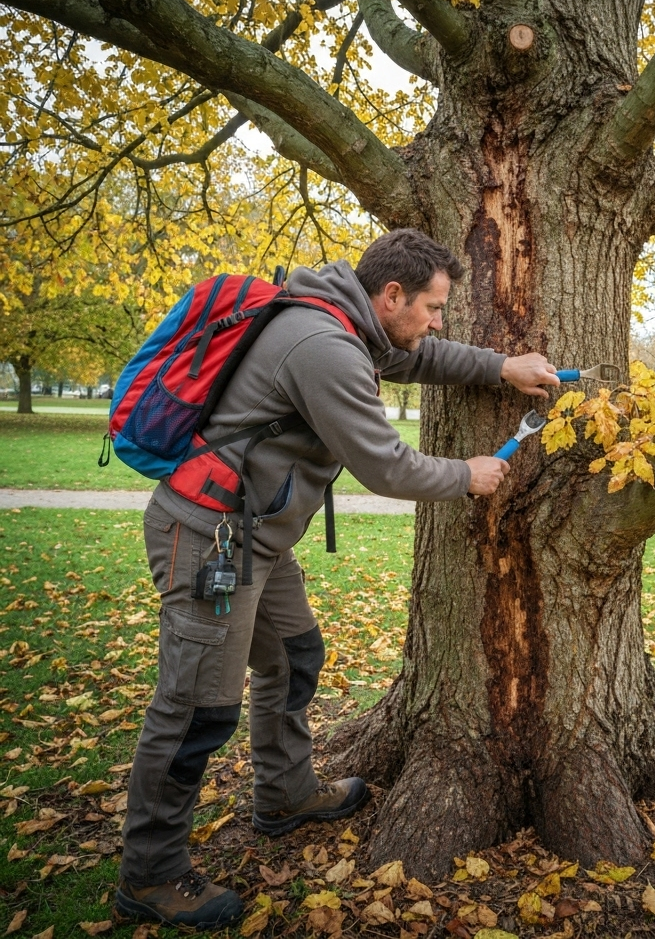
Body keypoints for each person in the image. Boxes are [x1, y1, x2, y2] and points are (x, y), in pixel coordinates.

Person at [115, 229, 560, 928]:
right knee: (195, 710)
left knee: (294, 658)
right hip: (212, 542)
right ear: (391, 296)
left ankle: (285, 796)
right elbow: (384, 465)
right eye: (435, 307)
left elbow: (421, 356)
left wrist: (502, 367)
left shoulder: (347, 321)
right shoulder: (324, 347)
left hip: (255, 536)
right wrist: (465, 474)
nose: (439, 321)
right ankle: (150, 873)